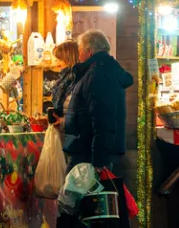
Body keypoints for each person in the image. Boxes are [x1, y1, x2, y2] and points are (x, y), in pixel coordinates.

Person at [61, 30, 133, 228]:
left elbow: (103, 118)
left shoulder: (97, 74)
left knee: (77, 212)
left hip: (87, 156)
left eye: (80, 50)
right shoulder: (103, 71)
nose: (79, 55)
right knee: (91, 213)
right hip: (92, 152)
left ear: (89, 51)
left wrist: (99, 158)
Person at [47, 40, 79, 125]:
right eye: (56, 60)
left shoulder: (78, 80)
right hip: (65, 130)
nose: (57, 64)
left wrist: (63, 121)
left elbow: (81, 115)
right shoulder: (64, 80)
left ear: (69, 58)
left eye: (60, 60)